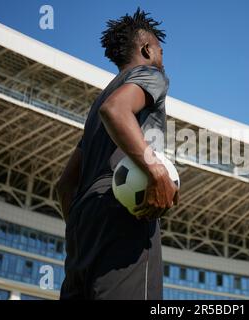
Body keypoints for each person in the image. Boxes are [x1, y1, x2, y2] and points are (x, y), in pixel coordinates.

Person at [55, 7, 178, 300]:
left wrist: (84, 230)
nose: (162, 60)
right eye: (160, 51)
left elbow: (64, 186)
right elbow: (117, 110)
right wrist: (156, 171)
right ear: (147, 49)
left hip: (82, 228)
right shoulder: (150, 76)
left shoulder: (97, 104)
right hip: (125, 215)